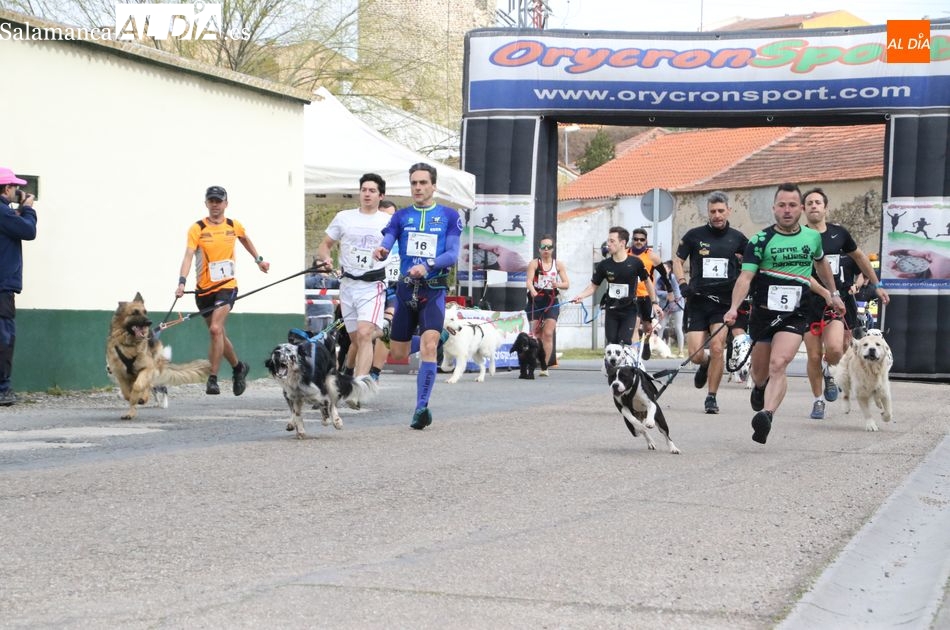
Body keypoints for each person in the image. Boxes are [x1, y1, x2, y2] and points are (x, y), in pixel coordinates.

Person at [724, 183, 844, 445]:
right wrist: (733, 308)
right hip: (764, 313)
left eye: (792, 205)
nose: (787, 210)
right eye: (782, 205)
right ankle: (759, 387)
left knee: (780, 363)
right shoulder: (759, 240)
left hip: (795, 314)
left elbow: (821, 266)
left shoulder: (812, 238)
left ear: (800, 208)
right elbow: (745, 277)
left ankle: (767, 415)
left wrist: (831, 293)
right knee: (760, 371)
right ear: (774, 208)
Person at [373, 163, 462, 430]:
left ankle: (421, 407)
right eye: (414, 183)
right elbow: (389, 239)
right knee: (398, 352)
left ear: (433, 186)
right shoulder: (401, 216)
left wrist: (428, 265)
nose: (418, 188)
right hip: (404, 290)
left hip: (432, 289)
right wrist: (382, 250)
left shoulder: (449, 215)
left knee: (428, 347)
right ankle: (439, 335)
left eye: (423, 183)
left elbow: (453, 253)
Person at [801, 188, 890, 420]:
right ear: (803, 209)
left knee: (837, 349)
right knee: (812, 355)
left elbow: (860, 257)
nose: (813, 206)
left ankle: (830, 372)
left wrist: (877, 284)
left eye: (817, 202)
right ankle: (818, 400)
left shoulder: (839, 234)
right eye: (809, 203)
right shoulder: (799, 235)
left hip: (838, 300)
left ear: (825, 207)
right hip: (807, 300)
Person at [175, 186, 269, 396]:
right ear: (206, 204)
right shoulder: (197, 228)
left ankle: (213, 378)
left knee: (216, 329)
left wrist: (259, 260)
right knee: (218, 334)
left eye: (219, 201)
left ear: (226, 203)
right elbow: (188, 256)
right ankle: (238, 367)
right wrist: (182, 282)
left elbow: (245, 239)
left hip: (226, 287)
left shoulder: (233, 225)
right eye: (212, 201)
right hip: (204, 290)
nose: (215, 205)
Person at [672, 191, 748, 414]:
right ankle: (703, 365)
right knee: (696, 355)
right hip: (698, 301)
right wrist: (682, 283)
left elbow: (752, 264)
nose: (717, 215)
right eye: (713, 211)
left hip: (724, 303)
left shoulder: (738, 238)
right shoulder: (694, 236)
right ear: (708, 212)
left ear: (728, 211)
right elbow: (677, 260)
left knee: (717, 348)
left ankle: (711, 397)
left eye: (721, 211)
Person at [316, 173, 391, 381]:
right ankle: (348, 371)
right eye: (364, 190)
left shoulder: (388, 221)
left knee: (365, 333)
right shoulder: (344, 217)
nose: (367, 194)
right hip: (347, 284)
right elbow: (325, 245)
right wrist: (325, 259)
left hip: (373, 285)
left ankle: (358, 387)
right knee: (355, 338)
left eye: (372, 191)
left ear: (381, 195)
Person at [570, 226, 661, 347]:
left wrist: (654, 302)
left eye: (612, 241)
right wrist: (580, 296)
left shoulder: (635, 263)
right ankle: (611, 365)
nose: (608, 244)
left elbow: (647, 282)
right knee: (612, 343)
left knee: (624, 342)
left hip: (629, 309)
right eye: (608, 240)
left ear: (622, 243)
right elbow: (593, 286)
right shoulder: (604, 265)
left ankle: (634, 358)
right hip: (611, 309)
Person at [0, 167, 38, 407]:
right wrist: (29, 209)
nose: (18, 191)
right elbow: (28, 231)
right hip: (2, 287)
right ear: (6, 188)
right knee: (4, 338)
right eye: (15, 187)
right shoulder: (3, 213)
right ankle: (2, 390)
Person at [525, 234, 570, 376]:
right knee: (535, 333)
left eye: (549, 247)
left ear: (552, 249)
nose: (546, 250)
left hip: (551, 299)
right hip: (536, 299)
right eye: (543, 247)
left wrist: (558, 284)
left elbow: (566, 284)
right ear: (539, 249)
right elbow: (529, 281)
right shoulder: (534, 263)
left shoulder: (558, 264)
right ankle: (533, 361)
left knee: (548, 333)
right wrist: (532, 290)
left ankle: (544, 366)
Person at [370, 199, 399, 380]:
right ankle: (351, 370)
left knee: (387, 329)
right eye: (385, 216)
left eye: (392, 216)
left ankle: (374, 373)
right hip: (371, 285)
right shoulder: (371, 233)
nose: (389, 221)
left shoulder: (401, 232)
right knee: (363, 335)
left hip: (394, 286)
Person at [628, 227, 666, 359]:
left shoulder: (652, 256)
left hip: (647, 296)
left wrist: (671, 291)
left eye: (642, 240)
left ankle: (645, 343)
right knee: (634, 324)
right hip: (632, 296)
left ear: (646, 241)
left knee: (647, 326)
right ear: (632, 240)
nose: (638, 242)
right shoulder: (626, 254)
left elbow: (664, 274)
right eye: (636, 239)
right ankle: (635, 354)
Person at [654, 261, 685, 356]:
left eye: (665, 268)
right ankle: (658, 349)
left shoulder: (673, 278)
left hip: (677, 306)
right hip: (665, 306)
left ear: (669, 269)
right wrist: (666, 294)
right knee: (661, 327)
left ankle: (681, 350)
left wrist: (671, 297)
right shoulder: (659, 279)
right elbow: (657, 291)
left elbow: (677, 293)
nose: (662, 270)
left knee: (678, 328)